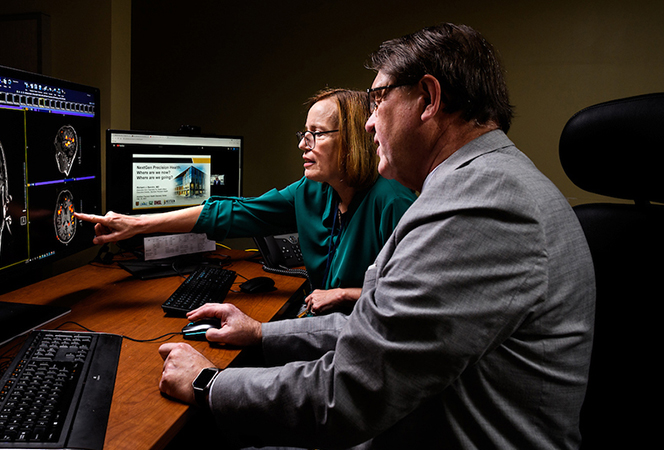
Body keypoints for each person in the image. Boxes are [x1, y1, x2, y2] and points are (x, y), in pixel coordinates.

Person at [157, 23, 596, 450]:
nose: (368, 125)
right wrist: (261, 333)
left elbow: (349, 394)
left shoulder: (478, 206)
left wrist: (207, 382)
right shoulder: (481, 184)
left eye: (378, 100)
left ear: (428, 99)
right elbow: (381, 329)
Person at [76, 88, 416, 314]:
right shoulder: (312, 191)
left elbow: (416, 300)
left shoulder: (392, 202)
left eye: (316, 134)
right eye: (304, 134)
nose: (303, 144)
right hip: (321, 330)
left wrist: (346, 294)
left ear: (353, 139)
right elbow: (234, 212)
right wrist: (135, 224)